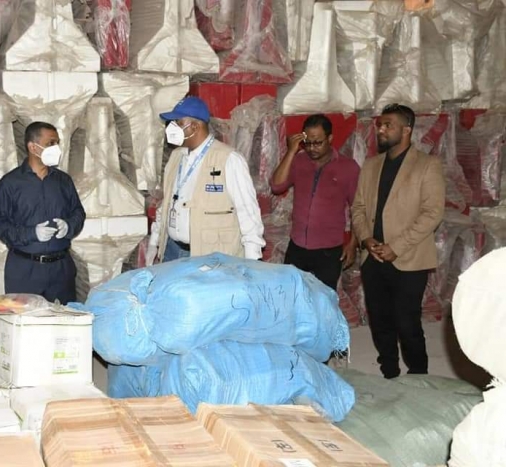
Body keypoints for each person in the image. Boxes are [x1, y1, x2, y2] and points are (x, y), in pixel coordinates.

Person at [351, 103, 445, 379]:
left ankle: (418, 375)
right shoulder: (371, 165)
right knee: (380, 321)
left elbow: (432, 213)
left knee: (407, 322)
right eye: (379, 125)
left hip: (409, 258)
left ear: (406, 130)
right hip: (373, 257)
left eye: (388, 125)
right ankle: (389, 372)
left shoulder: (427, 165)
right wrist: (366, 239)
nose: (381, 129)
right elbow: (358, 208)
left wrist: (396, 247)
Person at [145, 97, 265, 264]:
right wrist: (154, 241)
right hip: (172, 251)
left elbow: (248, 213)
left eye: (178, 123)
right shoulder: (176, 157)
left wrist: (252, 261)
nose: (172, 128)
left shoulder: (229, 159)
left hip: (211, 257)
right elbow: (166, 204)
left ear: (195, 126)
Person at [0, 122, 86, 304]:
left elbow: (78, 212)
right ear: (33, 147)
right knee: (26, 319)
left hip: (61, 269)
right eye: (51, 143)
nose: (56, 149)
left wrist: (69, 225)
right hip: (25, 270)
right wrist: (31, 233)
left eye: (57, 143)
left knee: (64, 318)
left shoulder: (63, 181)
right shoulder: (10, 183)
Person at [271, 114, 360, 290]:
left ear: (330, 138)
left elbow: (358, 208)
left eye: (318, 143)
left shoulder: (348, 167)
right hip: (297, 246)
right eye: (308, 143)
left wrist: (352, 244)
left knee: (324, 299)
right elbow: (276, 186)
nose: (312, 148)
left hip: (329, 250)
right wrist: (291, 151)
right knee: (291, 294)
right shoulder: (298, 161)